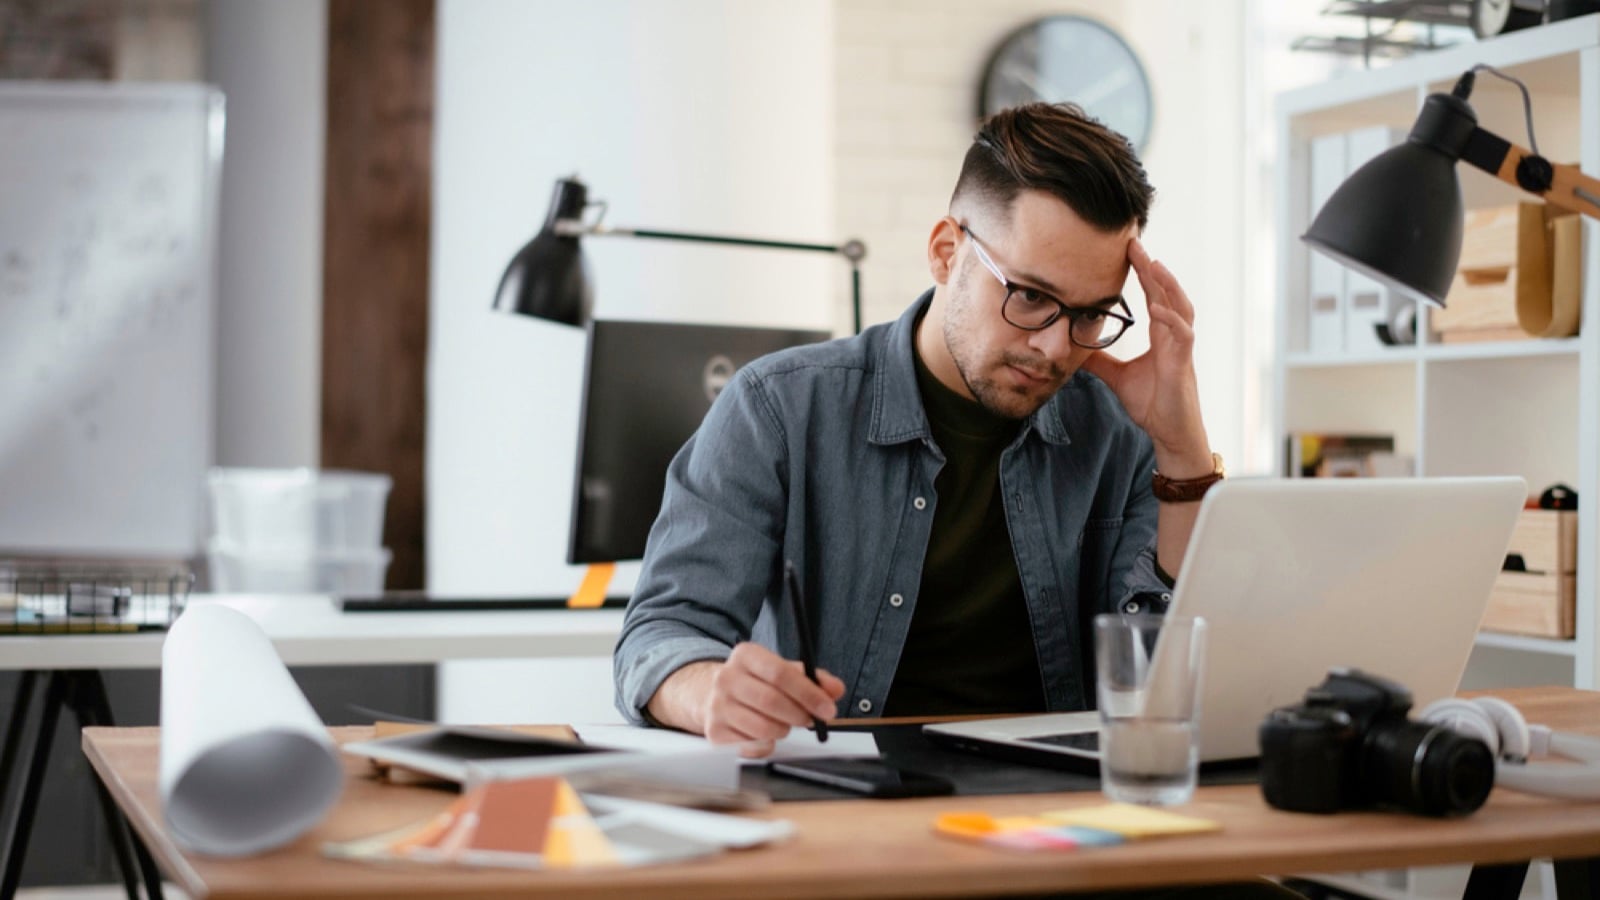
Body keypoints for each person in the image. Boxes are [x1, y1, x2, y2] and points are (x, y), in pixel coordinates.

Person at [614, 101, 1220, 752]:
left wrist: (1182, 450)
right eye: (1031, 297)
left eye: (1091, 315)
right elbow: (661, 633)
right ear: (945, 253)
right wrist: (709, 693)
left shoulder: (1118, 432)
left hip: (1051, 807)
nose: (1054, 349)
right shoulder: (778, 408)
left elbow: (1162, 682)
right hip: (847, 801)